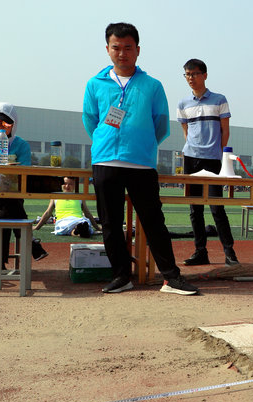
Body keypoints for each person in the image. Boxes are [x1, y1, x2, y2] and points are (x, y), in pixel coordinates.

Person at [82, 22, 197, 295]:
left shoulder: (152, 86)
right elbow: (91, 120)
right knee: (110, 223)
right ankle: (122, 276)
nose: (122, 53)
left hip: (141, 163)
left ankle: (171, 277)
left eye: (128, 48)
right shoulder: (94, 84)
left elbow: (160, 124)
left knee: (153, 221)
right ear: (108, 49)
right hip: (106, 162)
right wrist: (106, 144)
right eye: (116, 47)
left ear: (138, 50)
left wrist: (141, 145)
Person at [176, 59, 239, 267]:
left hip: (213, 158)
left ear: (204, 75)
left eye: (194, 74)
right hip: (191, 158)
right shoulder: (183, 104)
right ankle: (200, 251)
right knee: (195, 209)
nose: (191, 78)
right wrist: (192, 148)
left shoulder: (219, 100)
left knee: (216, 206)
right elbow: (186, 131)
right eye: (187, 74)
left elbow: (225, 130)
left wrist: (219, 153)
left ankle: (229, 253)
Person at [0, 102, 48, 264]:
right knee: (9, 203)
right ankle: (29, 241)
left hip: (8, 195)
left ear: (14, 124)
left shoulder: (21, 146)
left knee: (3, 211)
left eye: (5, 122)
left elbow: (24, 176)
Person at [33, 177, 101, 237]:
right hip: (63, 221)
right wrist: (37, 227)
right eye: (65, 183)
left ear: (74, 185)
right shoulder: (55, 197)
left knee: (83, 223)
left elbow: (87, 213)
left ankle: (79, 231)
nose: (67, 186)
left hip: (79, 220)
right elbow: (48, 213)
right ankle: (80, 231)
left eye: (70, 184)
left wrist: (97, 227)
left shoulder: (80, 197)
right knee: (69, 227)